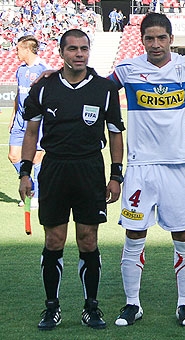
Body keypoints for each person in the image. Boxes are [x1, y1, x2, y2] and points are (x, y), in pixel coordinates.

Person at [18, 28, 125, 331]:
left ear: (89, 52)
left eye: (84, 49)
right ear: (61, 52)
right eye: (73, 49)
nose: (79, 54)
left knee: (87, 240)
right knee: (54, 240)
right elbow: (30, 133)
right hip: (54, 169)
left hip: (90, 169)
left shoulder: (104, 89)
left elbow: (115, 135)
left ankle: (91, 307)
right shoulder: (44, 87)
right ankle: (52, 307)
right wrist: (26, 172)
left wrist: (115, 175)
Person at [108, 12, 185, 327]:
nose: (155, 44)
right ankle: (132, 304)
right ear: (142, 40)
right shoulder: (127, 70)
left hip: (177, 166)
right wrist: (51, 74)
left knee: (183, 235)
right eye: (149, 38)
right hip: (139, 168)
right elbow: (96, 87)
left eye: (161, 37)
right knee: (134, 234)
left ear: (171, 39)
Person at [9, 35, 47, 208]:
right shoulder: (20, 70)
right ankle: (29, 184)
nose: (16, 52)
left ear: (26, 49)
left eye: (18, 49)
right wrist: (12, 117)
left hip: (37, 122)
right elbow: (18, 95)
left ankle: (36, 195)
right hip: (19, 121)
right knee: (13, 155)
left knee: (36, 159)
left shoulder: (43, 70)